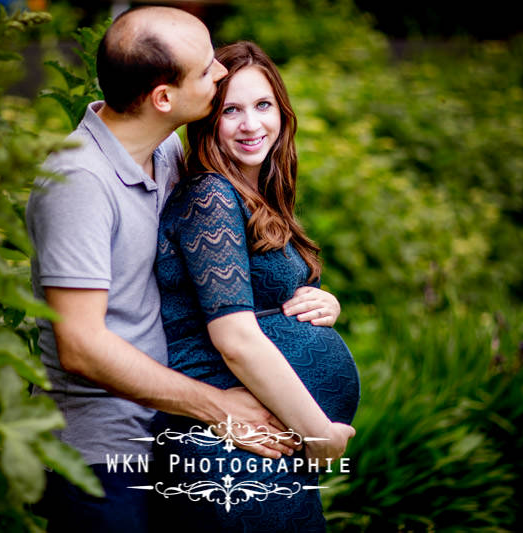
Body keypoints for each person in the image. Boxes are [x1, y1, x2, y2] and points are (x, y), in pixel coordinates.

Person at [25, 8, 337, 532]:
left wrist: (308, 303)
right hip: (103, 456)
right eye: (207, 67)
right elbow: (79, 345)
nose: (220, 73)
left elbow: (206, 275)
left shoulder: (165, 148)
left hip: (172, 435)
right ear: (164, 98)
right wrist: (217, 407)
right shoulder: (78, 182)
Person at [153, 41, 361, 532]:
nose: (251, 124)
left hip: (261, 447)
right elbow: (236, 340)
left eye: (263, 105)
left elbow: (255, 305)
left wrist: (321, 301)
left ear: (282, 112)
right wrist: (320, 435)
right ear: (208, 120)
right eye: (232, 111)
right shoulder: (210, 195)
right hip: (228, 452)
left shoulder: (251, 194)